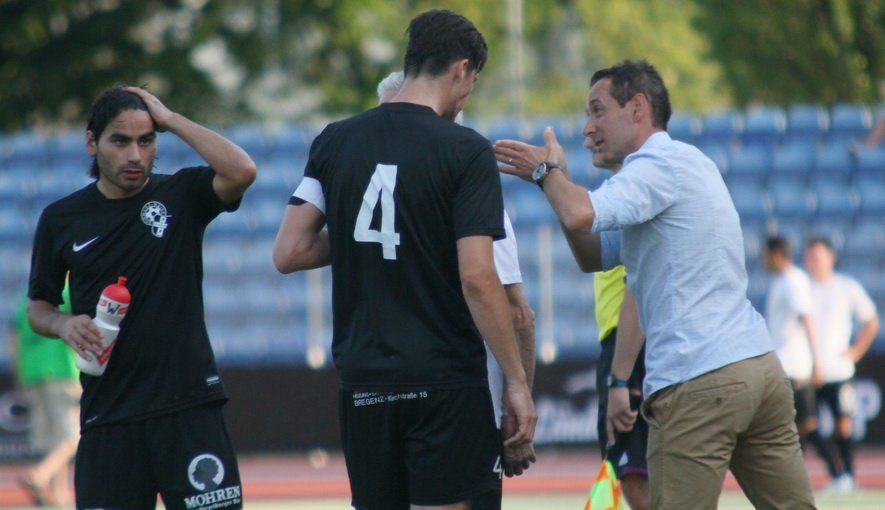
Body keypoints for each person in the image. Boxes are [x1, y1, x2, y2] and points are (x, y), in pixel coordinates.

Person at [493, 60, 814, 508]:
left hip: (698, 376)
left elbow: (580, 213)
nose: (587, 129)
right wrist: (558, 178)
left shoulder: (654, 165)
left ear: (638, 108)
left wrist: (545, 174)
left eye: (597, 111)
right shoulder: (686, 162)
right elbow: (591, 256)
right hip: (757, 367)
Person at [273, 10, 536, 510]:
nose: (467, 95)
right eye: (472, 82)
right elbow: (478, 276)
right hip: (443, 379)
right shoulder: (466, 150)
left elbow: (289, 251)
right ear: (461, 69)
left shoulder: (335, 139)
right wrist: (517, 382)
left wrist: (366, 233)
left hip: (365, 380)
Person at [27, 86, 256, 510]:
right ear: (92, 143)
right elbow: (38, 307)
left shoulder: (182, 194)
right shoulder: (61, 219)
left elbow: (242, 171)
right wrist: (63, 323)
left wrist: (171, 119)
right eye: (120, 141)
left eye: (146, 141)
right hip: (109, 415)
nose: (135, 155)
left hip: (189, 407)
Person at [376, 70, 537, 509]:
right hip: (425, 397)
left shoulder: (470, 201)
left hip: (459, 403)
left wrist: (513, 407)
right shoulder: (397, 204)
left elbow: (517, 313)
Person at [805, 236, 880, 492]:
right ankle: (835, 473)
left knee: (843, 422)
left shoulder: (846, 287)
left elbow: (871, 321)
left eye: (817, 256)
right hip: (809, 371)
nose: (813, 262)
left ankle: (847, 475)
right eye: (809, 257)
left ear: (831, 257)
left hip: (839, 370)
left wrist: (857, 350)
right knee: (807, 423)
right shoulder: (804, 288)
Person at [762, 236, 837, 480]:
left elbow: (807, 320)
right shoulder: (781, 280)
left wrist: (816, 363)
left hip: (794, 365)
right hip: (783, 364)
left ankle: (838, 473)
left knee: (805, 423)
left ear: (776, 254)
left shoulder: (794, 280)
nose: (763, 260)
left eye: (766, 255)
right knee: (795, 424)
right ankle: (790, 476)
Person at [10, 283, 79, 507]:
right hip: (62, 370)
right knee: (72, 437)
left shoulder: (27, 296)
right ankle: (39, 475)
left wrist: (20, 373)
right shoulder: (68, 290)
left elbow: (14, 336)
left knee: (53, 440)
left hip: (33, 371)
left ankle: (60, 495)